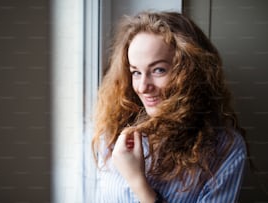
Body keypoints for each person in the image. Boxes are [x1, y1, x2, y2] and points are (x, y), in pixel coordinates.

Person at [91, 11, 247, 203]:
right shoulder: (113, 132)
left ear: (190, 71)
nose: (142, 87)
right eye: (136, 72)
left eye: (158, 70)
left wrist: (138, 183)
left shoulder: (225, 148)